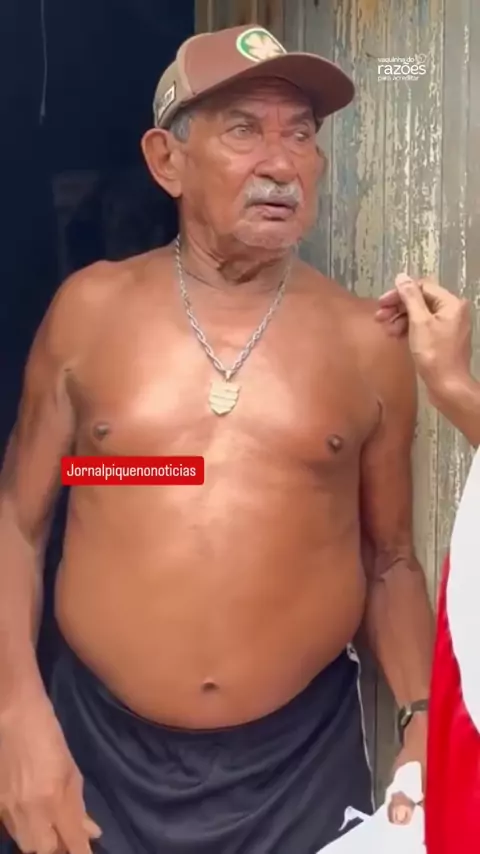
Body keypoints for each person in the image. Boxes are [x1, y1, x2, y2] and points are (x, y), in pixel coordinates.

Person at [0, 25, 434, 854]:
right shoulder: (89, 313)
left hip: (297, 772)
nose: (281, 163)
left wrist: (422, 725)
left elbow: (390, 561)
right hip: (97, 759)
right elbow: (19, 527)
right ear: (167, 161)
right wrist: (16, 716)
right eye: (244, 130)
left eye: (300, 134)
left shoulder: (366, 342)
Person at [377, 275, 480, 854]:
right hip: (113, 742)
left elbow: (388, 556)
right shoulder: (102, 310)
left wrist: (455, 389)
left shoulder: (351, 340)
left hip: (295, 760)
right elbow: (94, 477)